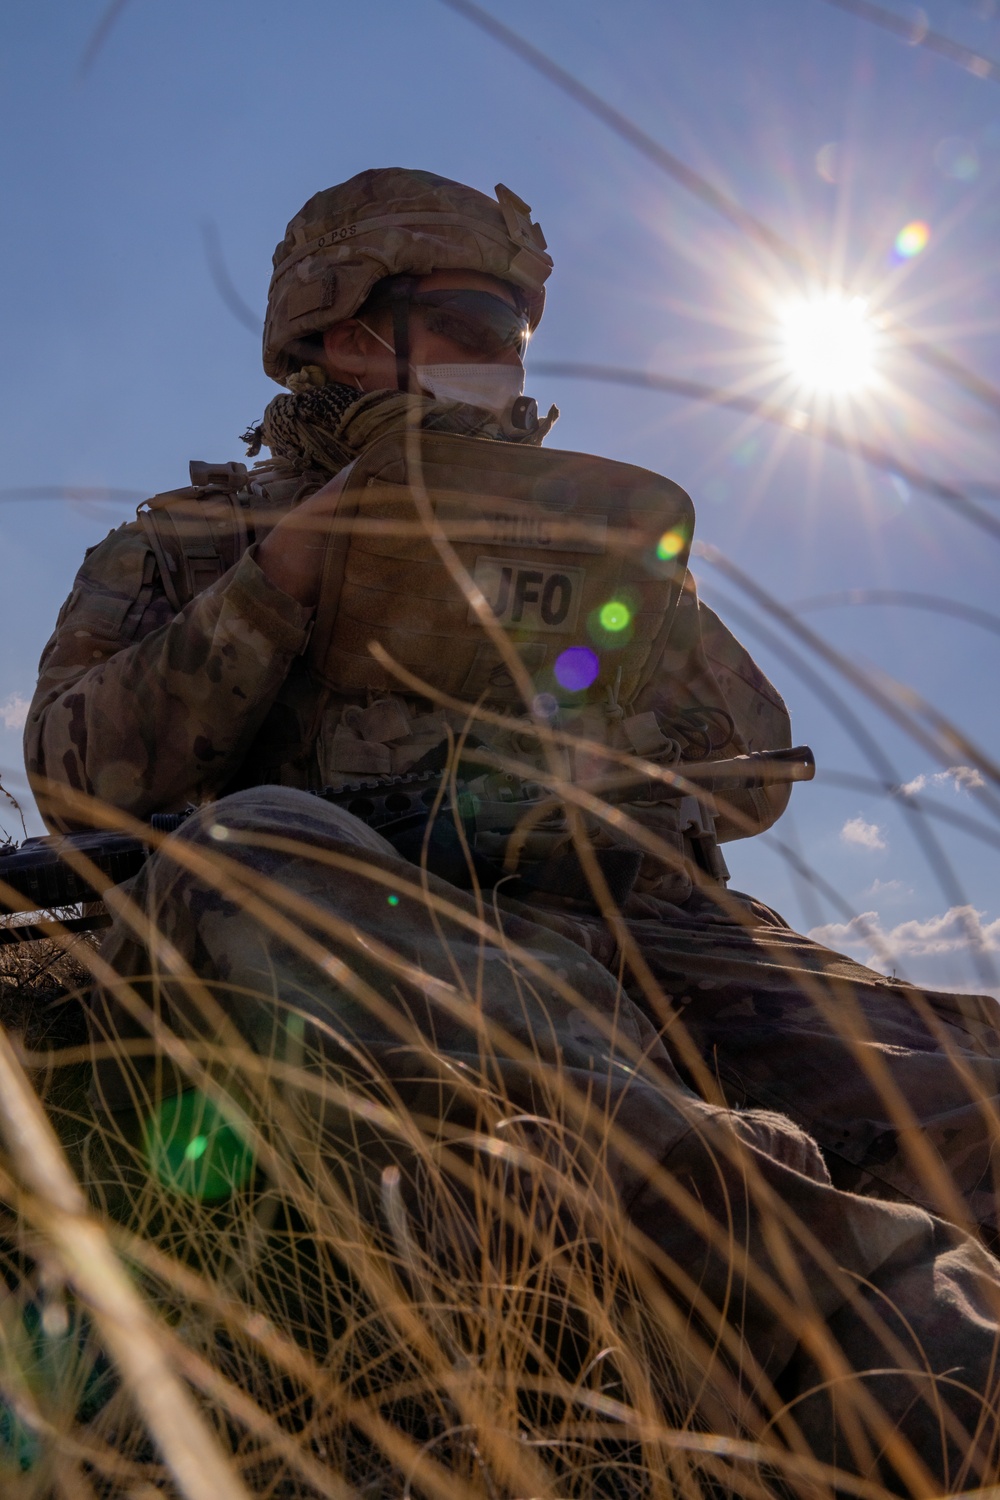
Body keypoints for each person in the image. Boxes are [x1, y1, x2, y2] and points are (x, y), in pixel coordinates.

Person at [23, 167, 1000, 1487]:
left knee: (956, 1095)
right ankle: (871, 1339)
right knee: (256, 842)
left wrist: (612, 699)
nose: (504, 358)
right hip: (415, 942)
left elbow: (754, 767)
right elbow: (77, 778)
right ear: (345, 331)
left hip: (664, 925)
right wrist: (289, 573)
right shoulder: (187, 548)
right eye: (473, 321)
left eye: (514, 332)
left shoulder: (582, 528)